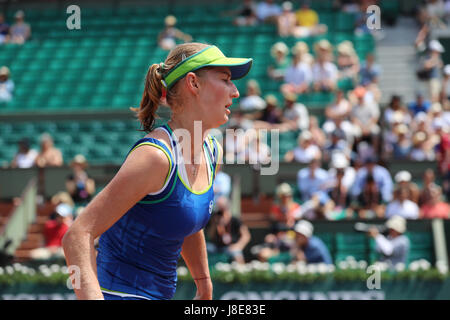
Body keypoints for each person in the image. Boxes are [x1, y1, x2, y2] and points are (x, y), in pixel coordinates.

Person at [62, 42, 253, 300]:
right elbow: (76, 236)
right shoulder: (155, 158)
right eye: (225, 79)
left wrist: (203, 284)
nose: (236, 92)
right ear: (193, 83)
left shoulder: (212, 152)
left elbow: (184, 218)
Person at [206, 197, 251, 264]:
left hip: (231, 246)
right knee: (204, 249)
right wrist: (215, 224)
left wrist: (238, 246)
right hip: (216, 246)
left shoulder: (235, 220)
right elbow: (210, 236)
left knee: (237, 254)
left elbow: (246, 236)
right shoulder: (213, 220)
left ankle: (242, 272)